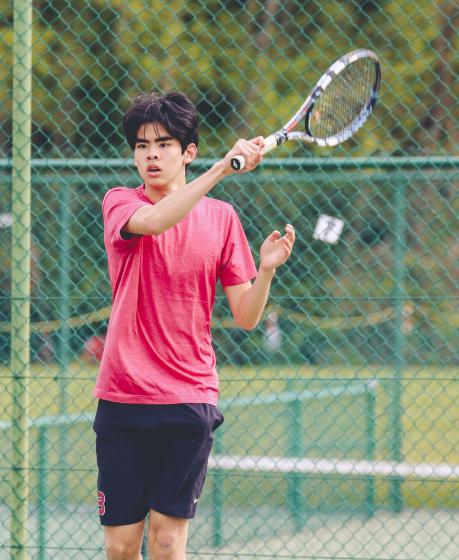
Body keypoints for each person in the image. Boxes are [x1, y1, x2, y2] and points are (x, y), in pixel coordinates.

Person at [93, 91, 295, 560]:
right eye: (142, 146)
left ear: (188, 152)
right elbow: (159, 220)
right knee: (122, 547)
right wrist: (223, 168)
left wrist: (264, 270)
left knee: (167, 541)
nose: (151, 155)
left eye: (164, 144)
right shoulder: (121, 203)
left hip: (190, 397)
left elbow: (246, 317)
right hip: (124, 397)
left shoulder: (223, 218)